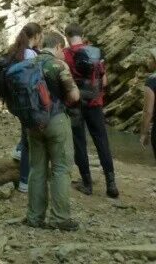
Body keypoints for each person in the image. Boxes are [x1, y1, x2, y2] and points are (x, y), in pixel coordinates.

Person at [24, 31, 80, 230]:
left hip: (32, 123)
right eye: (62, 50)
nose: (64, 54)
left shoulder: (28, 63)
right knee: (61, 168)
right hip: (55, 119)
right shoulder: (58, 65)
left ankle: (34, 217)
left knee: (37, 169)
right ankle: (59, 218)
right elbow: (74, 95)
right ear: (57, 46)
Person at [62, 23, 118, 198]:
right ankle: (111, 184)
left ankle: (87, 184)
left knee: (79, 142)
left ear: (67, 36)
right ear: (82, 34)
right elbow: (105, 81)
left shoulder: (64, 54)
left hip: (74, 104)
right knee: (102, 141)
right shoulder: (95, 52)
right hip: (95, 103)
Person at [8, 22, 43, 194]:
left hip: (17, 101)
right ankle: (24, 181)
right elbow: (34, 80)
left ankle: (18, 149)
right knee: (29, 140)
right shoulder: (30, 54)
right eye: (40, 36)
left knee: (25, 135)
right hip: (28, 101)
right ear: (36, 36)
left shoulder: (17, 51)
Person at [140, 48, 156, 160]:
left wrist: (144, 133)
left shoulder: (151, 81)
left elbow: (148, 111)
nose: (147, 60)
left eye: (150, 58)